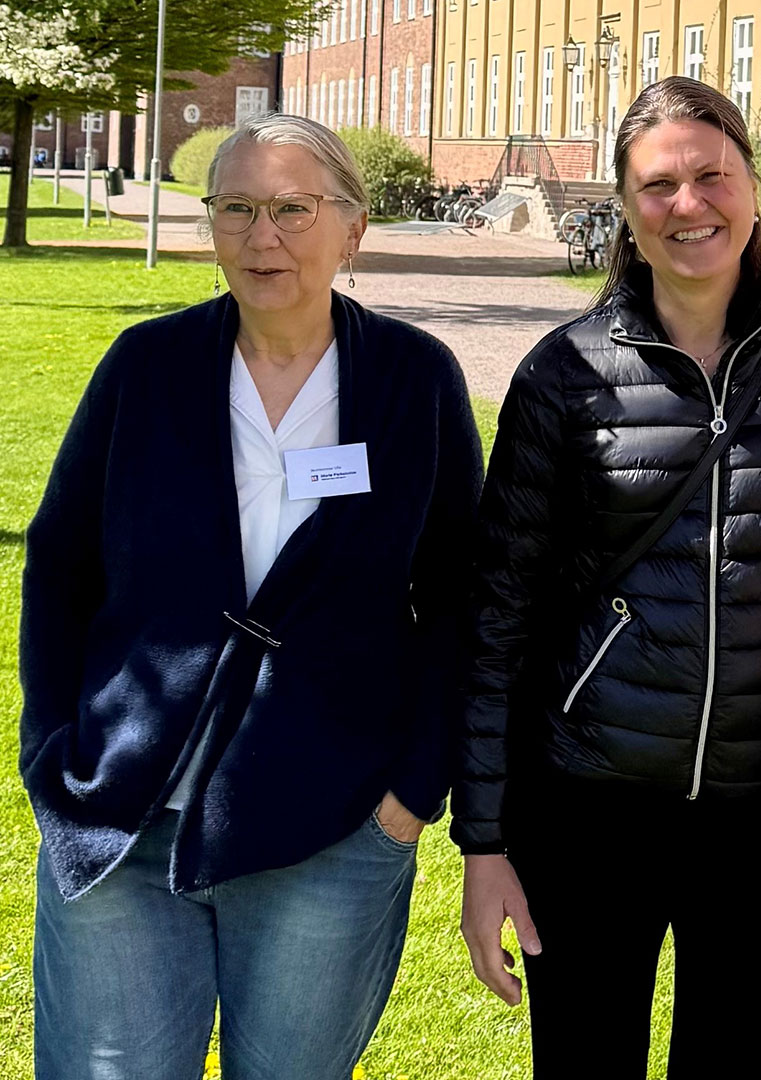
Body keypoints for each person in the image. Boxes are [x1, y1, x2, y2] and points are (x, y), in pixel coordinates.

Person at [21, 113, 482, 1079]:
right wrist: (50, 749)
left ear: (353, 228)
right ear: (210, 225)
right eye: (236, 208)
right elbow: (61, 562)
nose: (262, 236)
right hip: (125, 812)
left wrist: (412, 792)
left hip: (329, 825)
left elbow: (457, 596)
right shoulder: (146, 369)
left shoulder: (410, 381)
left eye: (291, 209)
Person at [454, 76, 761, 1077]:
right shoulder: (563, 375)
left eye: (711, 176)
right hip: (585, 807)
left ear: (751, 187)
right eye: (658, 185)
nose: (687, 205)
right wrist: (483, 845)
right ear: (625, 207)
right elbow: (499, 620)